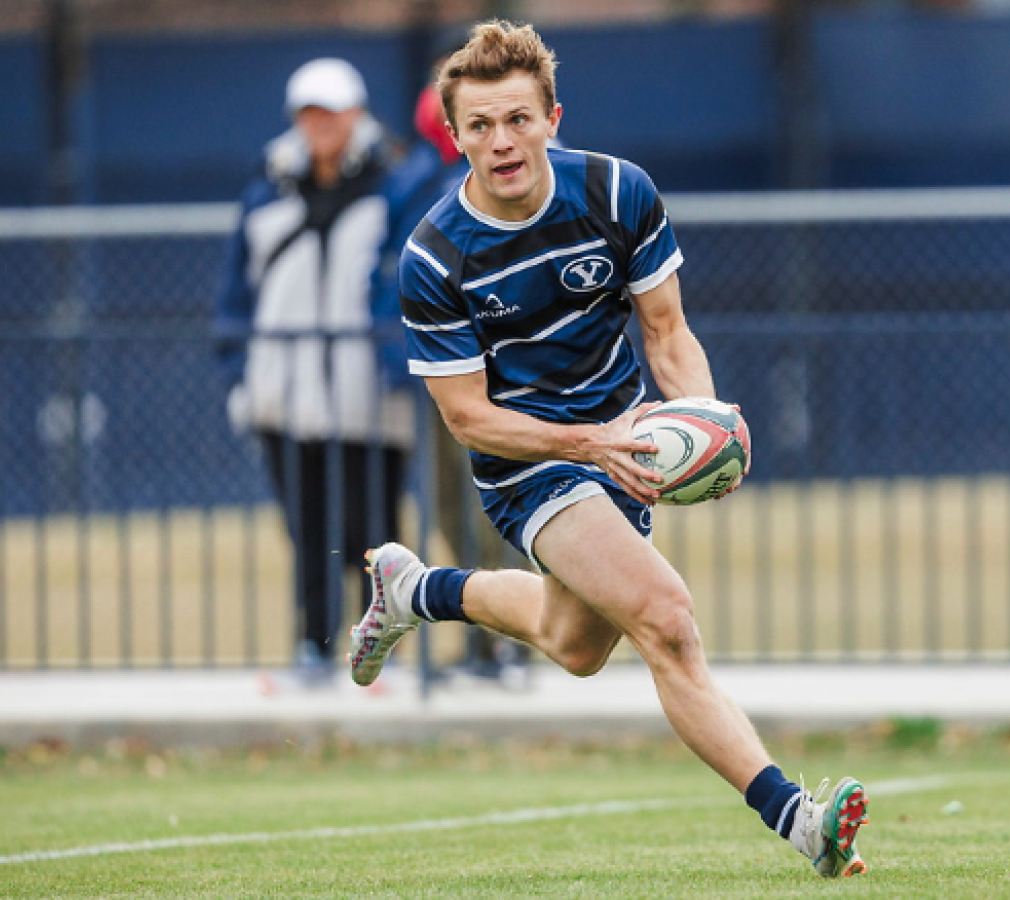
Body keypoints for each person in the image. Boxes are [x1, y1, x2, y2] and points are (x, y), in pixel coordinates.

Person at [346, 21, 870, 877]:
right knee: (666, 620)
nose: (502, 141)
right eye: (480, 125)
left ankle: (417, 591)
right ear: (456, 137)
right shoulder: (434, 256)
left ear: (553, 119)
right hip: (529, 464)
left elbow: (667, 332)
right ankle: (803, 822)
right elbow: (469, 419)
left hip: (623, 439)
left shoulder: (618, 193)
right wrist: (591, 445)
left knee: (576, 645)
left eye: (518, 119)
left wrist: (703, 423)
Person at [216, 57, 410, 681]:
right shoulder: (266, 191)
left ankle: (380, 651)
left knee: (373, 528)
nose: (319, 124)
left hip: (367, 391)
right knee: (307, 528)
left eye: (330, 111)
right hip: (284, 387)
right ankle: (314, 644)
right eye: (308, 113)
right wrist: (241, 376)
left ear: (356, 113)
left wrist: (398, 365)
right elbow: (235, 296)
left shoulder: (395, 187)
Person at [370, 38, 530, 682]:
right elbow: (392, 271)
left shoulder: (515, 169)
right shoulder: (416, 178)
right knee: (448, 504)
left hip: (502, 370)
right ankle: (490, 640)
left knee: (504, 504)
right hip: (439, 366)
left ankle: (513, 641)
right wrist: (395, 350)